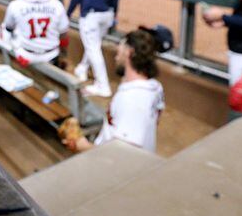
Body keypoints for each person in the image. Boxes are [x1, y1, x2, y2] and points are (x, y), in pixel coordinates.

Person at [62, 26, 170, 154]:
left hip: (114, 167)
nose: (116, 54)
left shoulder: (132, 99)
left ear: (130, 52)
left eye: (120, 46)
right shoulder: (154, 87)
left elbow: (122, 155)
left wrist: (83, 145)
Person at [69, 0, 120, 97]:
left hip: (91, 15)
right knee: (94, 44)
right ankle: (82, 68)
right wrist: (114, 14)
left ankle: (102, 86)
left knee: (93, 48)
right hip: (107, 14)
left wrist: (68, 13)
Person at [3, 0, 70, 67]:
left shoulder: (15, 5)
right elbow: (63, 35)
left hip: (26, 56)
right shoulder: (57, 5)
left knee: (9, 30)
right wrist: (63, 55)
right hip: (51, 56)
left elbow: (8, 28)